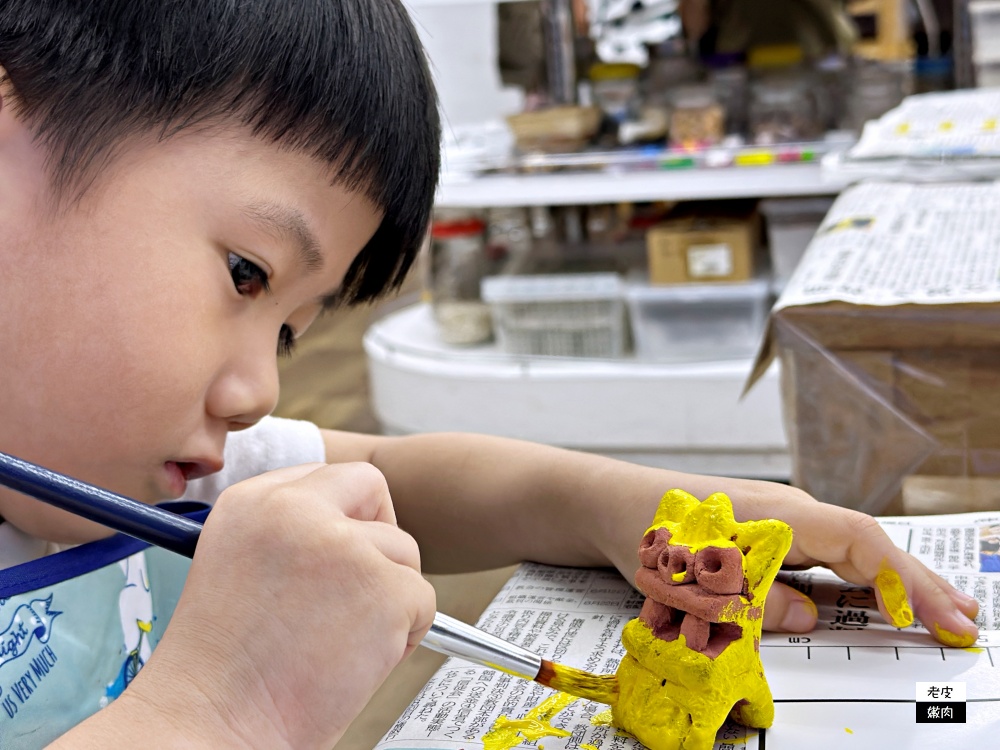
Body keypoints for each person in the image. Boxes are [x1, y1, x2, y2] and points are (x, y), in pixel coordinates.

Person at [0, 2, 979, 748]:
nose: (258, 390)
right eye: (246, 272)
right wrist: (217, 706)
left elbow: (401, 479)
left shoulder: (135, 454)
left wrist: (620, 503)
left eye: (290, 333)